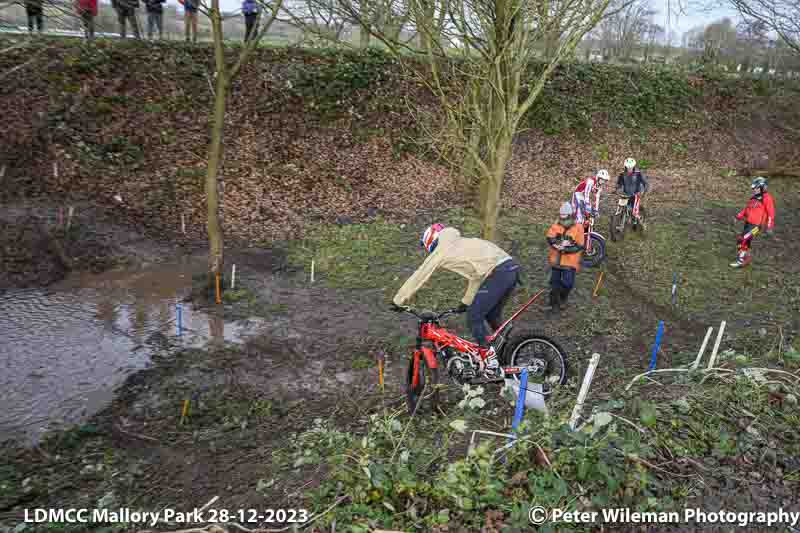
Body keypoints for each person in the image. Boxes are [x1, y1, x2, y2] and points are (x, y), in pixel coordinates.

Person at [391, 224, 521, 376]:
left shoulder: (443, 249)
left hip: (499, 272)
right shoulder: (458, 243)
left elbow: (421, 274)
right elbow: (477, 274)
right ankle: (509, 352)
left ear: (430, 239)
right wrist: (466, 302)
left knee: (474, 317)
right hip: (510, 269)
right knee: (490, 315)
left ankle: (489, 358)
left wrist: (398, 300)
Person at [545, 202, 585, 315]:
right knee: (554, 283)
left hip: (570, 261)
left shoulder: (578, 228)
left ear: (570, 215)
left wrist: (566, 248)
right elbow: (550, 237)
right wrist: (556, 244)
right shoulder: (556, 225)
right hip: (556, 260)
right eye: (561, 216)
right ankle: (552, 304)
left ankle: (562, 299)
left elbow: (580, 245)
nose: (562, 219)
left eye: (564, 216)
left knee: (568, 283)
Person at [730, 177, 775, 268]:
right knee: (742, 241)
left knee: (743, 239)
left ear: (763, 188)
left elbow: (771, 214)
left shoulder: (767, 198)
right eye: (754, 188)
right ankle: (746, 257)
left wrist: (769, 227)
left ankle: (741, 261)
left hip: (757, 226)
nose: (754, 190)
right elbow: (746, 209)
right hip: (748, 224)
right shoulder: (753, 198)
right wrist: (738, 216)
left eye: (756, 188)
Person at [615, 157, 649, 226]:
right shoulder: (622, 174)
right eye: (628, 167)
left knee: (634, 212)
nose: (629, 169)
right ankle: (621, 220)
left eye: (631, 167)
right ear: (625, 167)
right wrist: (617, 189)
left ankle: (642, 223)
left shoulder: (638, 174)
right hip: (626, 194)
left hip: (636, 194)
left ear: (633, 167)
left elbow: (645, 183)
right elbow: (619, 184)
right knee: (623, 207)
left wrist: (643, 191)